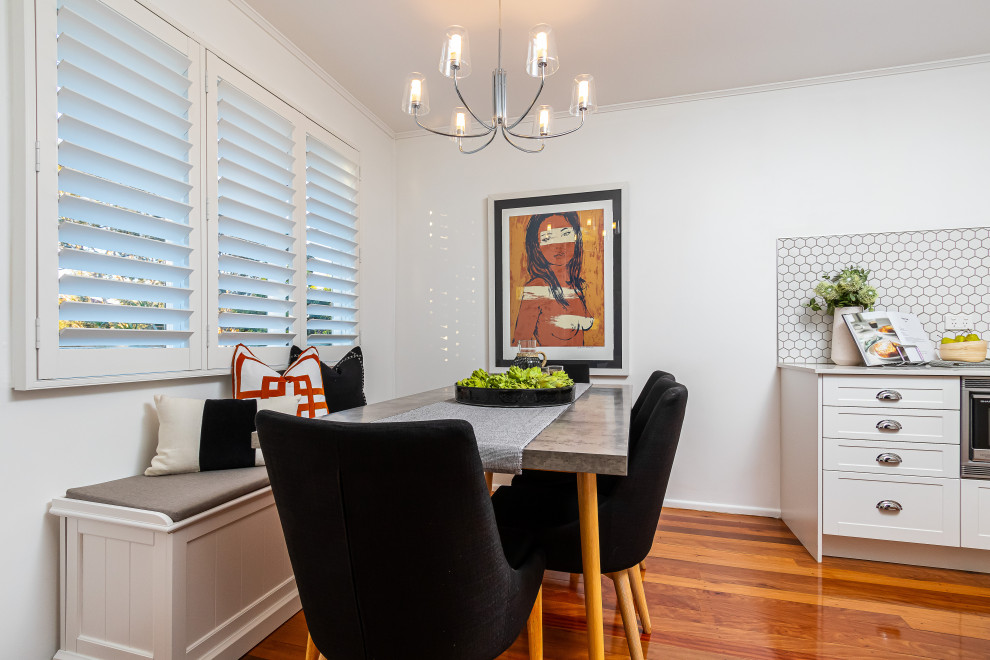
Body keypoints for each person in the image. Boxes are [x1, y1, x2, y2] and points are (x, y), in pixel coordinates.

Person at [512, 211, 594, 346]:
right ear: (537, 246)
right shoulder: (537, 287)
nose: (558, 245)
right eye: (547, 238)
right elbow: (519, 343)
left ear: (576, 238)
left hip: (578, 366)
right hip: (549, 365)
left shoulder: (575, 284)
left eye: (565, 234)